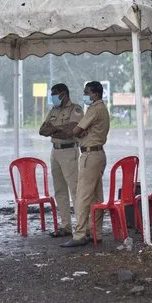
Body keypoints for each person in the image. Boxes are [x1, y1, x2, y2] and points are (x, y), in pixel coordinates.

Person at [61, 81, 110, 247]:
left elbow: (77, 130)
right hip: (98, 154)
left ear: (95, 94)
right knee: (96, 197)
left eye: (86, 92)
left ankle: (80, 234)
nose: (85, 95)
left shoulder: (94, 109)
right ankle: (96, 233)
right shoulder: (102, 109)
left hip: (90, 155)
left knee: (82, 196)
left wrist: (62, 130)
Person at [39, 83, 84, 237]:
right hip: (55, 151)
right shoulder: (54, 110)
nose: (53, 97)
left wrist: (54, 129)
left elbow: (72, 131)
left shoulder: (75, 109)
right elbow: (42, 130)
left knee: (75, 190)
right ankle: (66, 226)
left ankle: (82, 227)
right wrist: (60, 130)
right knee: (60, 191)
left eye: (55, 94)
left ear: (63, 94)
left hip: (69, 150)